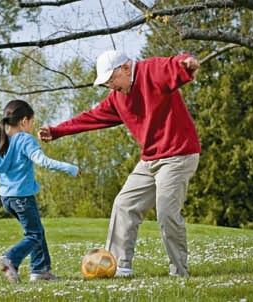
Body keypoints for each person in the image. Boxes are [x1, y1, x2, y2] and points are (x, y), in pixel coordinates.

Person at [38, 50, 200, 278]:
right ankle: (118, 267)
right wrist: (57, 131)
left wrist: (187, 63)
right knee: (124, 204)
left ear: (125, 68)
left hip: (178, 154)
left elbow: (174, 65)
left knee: (166, 211)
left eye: (111, 79)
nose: (110, 86)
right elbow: (90, 117)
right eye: (106, 83)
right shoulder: (117, 98)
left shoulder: (150, 71)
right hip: (150, 158)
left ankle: (179, 272)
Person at [0, 99, 79, 283]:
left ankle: (41, 271)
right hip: (23, 198)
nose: (32, 126)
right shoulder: (25, 140)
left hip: (6, 198)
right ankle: (10, 258)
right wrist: (69, 168)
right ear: (24, 121)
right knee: (34, 234)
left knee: (36, 231)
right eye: (32, 122)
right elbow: (43, 161)